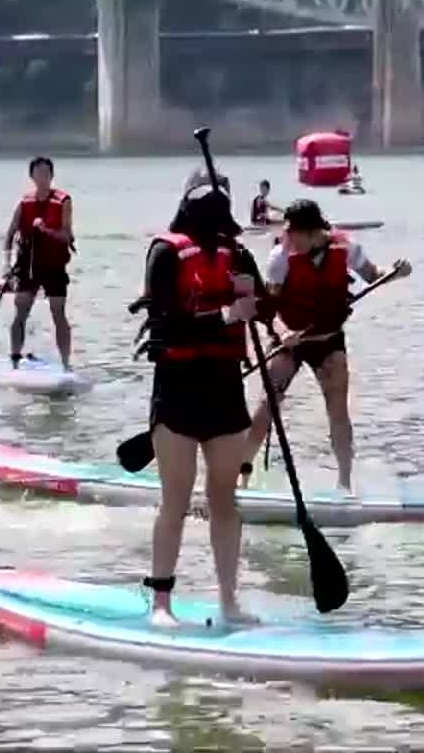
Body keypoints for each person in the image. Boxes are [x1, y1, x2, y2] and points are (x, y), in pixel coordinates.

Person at [135, 176, 261, 628]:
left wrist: (253, 297)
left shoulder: (239, 254)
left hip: (225, 387)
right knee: (177, 498)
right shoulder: (165, 252)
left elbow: (262, 308)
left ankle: (229, 602)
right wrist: (227, 313)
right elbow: (164, 321)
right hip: (178, 388)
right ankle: (162, 605)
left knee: (224, 500)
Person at [240, 198, 411, 491]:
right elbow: (270, 309)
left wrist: (395, 272)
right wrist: (283, 333)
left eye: (293, 234)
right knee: (267, 406)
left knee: (338, 411)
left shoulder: (346, 249)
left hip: (328, 341)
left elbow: (373, 276)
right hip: (289, 341)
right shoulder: (280, 257)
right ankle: (239, 478)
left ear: (311, 232)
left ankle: (345, 484)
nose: (287, 239)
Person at [4, 156, 76, 370]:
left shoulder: (63, 201)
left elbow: (67, 236)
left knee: (58, 311)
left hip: (54, 265)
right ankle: (15, 358)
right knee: (20, 311)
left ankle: (65, 363)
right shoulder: (24, 203)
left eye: (46, 173)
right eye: (38, 173)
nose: (42, 177)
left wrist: (46, 230)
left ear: (51, 176)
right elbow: (9, 235)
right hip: (28, 265)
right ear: (32, 176)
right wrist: (6, 265)